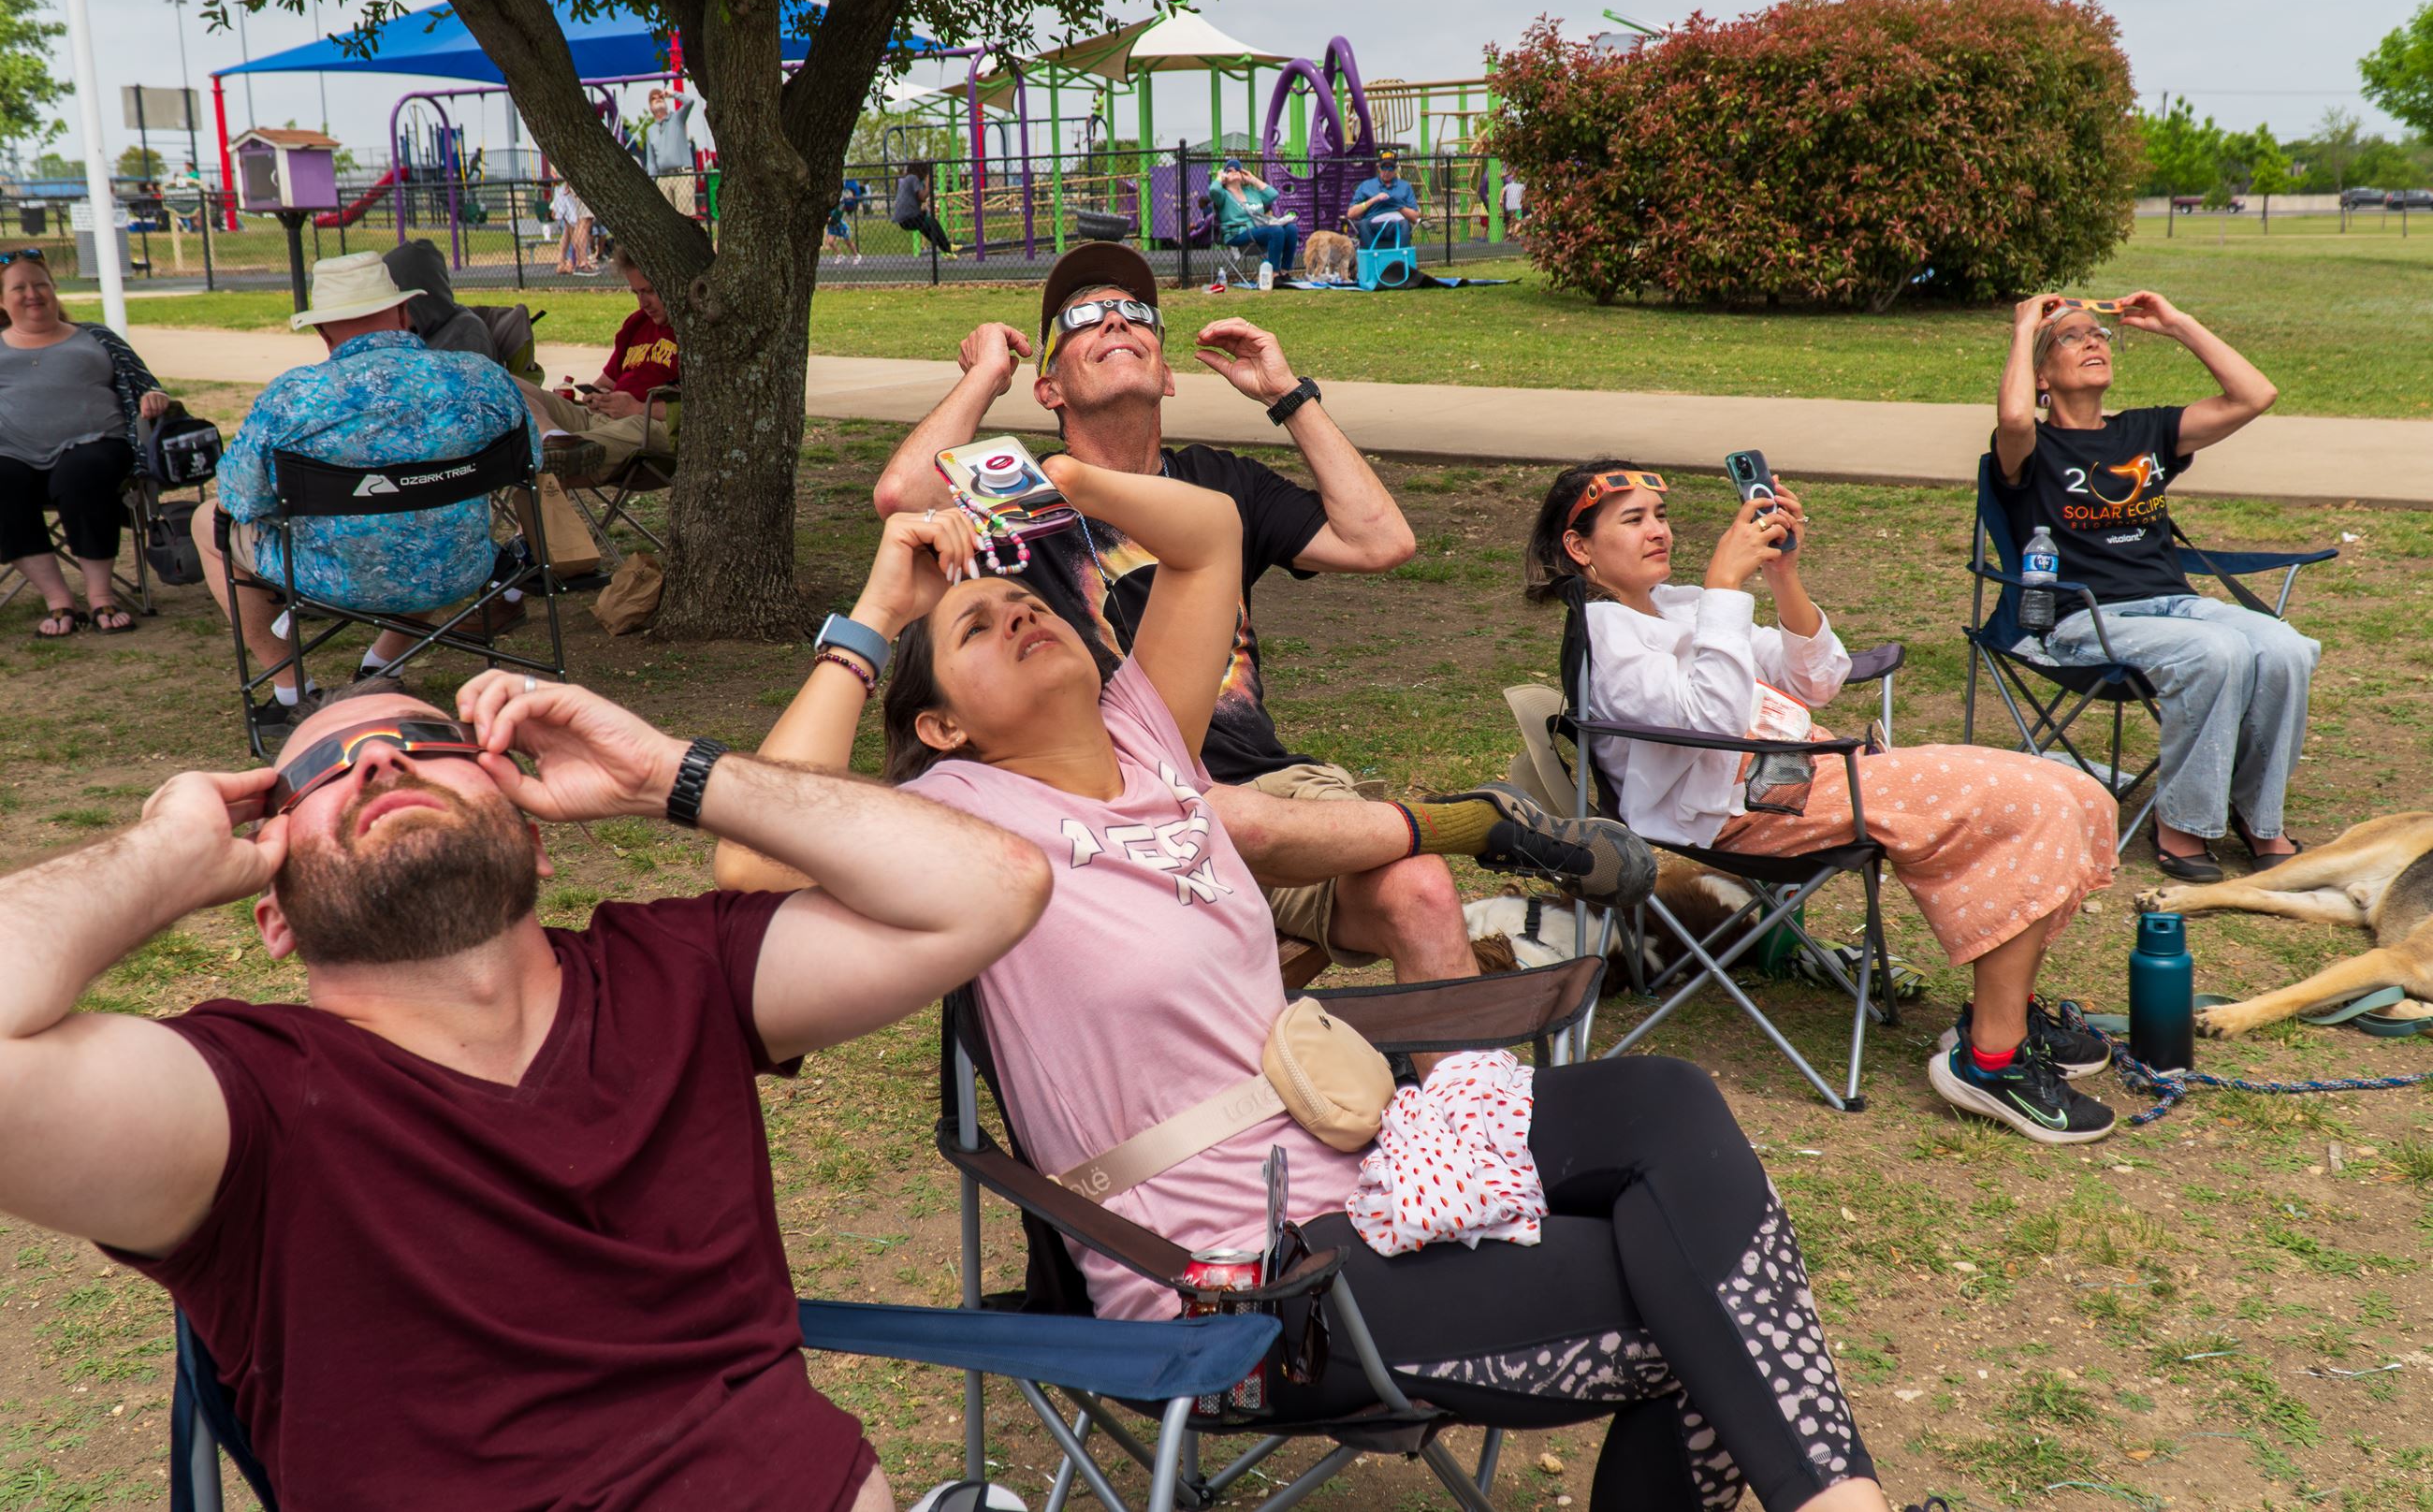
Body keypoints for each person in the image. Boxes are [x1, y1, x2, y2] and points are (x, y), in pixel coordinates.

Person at [719, 471, 1897, 1512]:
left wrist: (1046, 482)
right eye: (977, 623)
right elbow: (751, 858)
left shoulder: (1149, 745)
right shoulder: (955, 818)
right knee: (1707, 1301)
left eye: (1028, 598)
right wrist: (877, 610)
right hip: (1241, 1281)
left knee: (1665, 1106)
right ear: (940, 725)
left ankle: (1836, 1501)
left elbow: (1206, 534)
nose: (1020, 607)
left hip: (1363, 1161)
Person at [0, 670, 1049, 1508]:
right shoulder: (244, 1105)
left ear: (533, 838)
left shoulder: (679, 974)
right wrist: (164, 852)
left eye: (428, 743)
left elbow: (993, 886)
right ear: (273, 914)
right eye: (321, 766)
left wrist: (666, 773)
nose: (375, 757)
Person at [869, 243, 1649, 993]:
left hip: (1270, 789)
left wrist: (1288, 395)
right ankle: (1469, 820)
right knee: (1219, 812)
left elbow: (1382, 540)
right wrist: (983, 377)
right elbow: (902, 499)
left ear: (1167, 374)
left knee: (1420, 888)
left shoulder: (1221, 482)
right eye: (1084, 318)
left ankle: (1458, 1115)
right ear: (1049, 389)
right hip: (1108, 803)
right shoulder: (1017, 493)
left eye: (1136, 311)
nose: (1115, 321)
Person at [1523, 458, 2122, 1144]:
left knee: (2074, 788)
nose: (1658, 531)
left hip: (1812, 772)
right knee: (2028, 804)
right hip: (1748, 808)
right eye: (1633, 520)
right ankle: (1992, 1057)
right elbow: (1712, 724)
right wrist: (1725, 584)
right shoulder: (1609, 635)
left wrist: (1781, 574)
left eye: (1659, 515)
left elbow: (1820, 675)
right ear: (1580, 548)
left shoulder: (1681, 604)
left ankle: (2008, 1006)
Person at [1995, 291, 2300, 883]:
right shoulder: (2031, 447)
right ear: (2040, 377)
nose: (2093, 341)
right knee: (2217, 652)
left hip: (2175, 604)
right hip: (2083, 619)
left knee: (2285, 645)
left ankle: (2256, 814)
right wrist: (2026, 324)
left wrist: (2178, 323)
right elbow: (2011, 418)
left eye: (2100, 335)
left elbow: (2255, 395)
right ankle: (2181, 823)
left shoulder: (2148, 430)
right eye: (2071, 336)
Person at [190, 252, 538, 725]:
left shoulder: (293, 397)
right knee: (426, 519)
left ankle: (292, 689)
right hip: (456, 565)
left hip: (329, 578)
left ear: (322, 332)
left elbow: (240, 499)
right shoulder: (482, 378)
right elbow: (530, 462)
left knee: (203, 519)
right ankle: (381, 665)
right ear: (403, 314)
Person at [0, 246, 174, 637]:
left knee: (80, 474)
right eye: (19, 288)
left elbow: (145, 385)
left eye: (41, 284)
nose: (33, 294)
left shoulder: (95, 336)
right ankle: (58, 599)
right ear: (2, 300)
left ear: (54, 290)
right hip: (13, 453)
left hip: (95, 445)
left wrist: (152, 398)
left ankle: (100, 597)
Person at [517, 245, 677, 462]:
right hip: (598, 418)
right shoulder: (637, 322)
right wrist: (599, 396)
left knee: (534, 461)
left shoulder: (696, 336)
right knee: (505, 382)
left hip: (645, 425)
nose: (643, 303)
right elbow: (605, 382)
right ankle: (553, 438)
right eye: (636, 293)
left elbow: (702, 409)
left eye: (649, 291)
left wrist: (636, 408)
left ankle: (557, 451)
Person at [1207, 156, 1297, 275]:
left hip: (1259, 230)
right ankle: (1274, 275)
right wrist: (1219, 177)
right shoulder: (1223, 195)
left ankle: (1284, 272)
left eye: (1237, 169)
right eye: (1229, 170)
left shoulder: (1251, 191)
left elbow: (1274, 194)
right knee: (1276, 230)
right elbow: (1213, 190)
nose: (1234, 171)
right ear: (1225, 176)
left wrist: (1253, 179)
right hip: (1237, 233)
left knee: (1291, 229)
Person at [641, 86, 701, 216]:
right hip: (663, 178)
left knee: (686, 218)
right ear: (650, 107)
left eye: (660, 97)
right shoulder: (650, 130)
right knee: (667, 218)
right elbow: (651, 162)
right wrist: (653, 184)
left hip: (682, 174)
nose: (657, 99)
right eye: (653, 99)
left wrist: (672, 94)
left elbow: (689, 101)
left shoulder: (677, 118)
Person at [1346, 147, 1421, 250]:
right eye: (1384, 167)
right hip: (1373, 224)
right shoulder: (1366, 185)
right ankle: (1372, 257)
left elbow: (1415, 218)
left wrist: (1398, 206)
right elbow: (1351, 213)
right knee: (1363, 224)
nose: (1387, 172)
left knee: (1405, 224)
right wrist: (1373, 200)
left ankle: (1401, 259)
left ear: (1395, 169)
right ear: (1378, 167)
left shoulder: (1405, 186)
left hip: (1396, 223)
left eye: (1390, 168)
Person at [892, 161, 955, 256]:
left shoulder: (905, 180)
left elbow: (917, 199)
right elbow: (923, 197)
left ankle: (946, 248)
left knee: (926, 227)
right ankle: (946, 246)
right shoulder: (913, 178)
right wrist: (928, 180)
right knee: (932, 222)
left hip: (904, 219)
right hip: (909, 217)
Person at [551, 174, 598, 275]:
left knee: (572, 227)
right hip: (578, 185)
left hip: (568, 186)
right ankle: (581, 263)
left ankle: (571, 261)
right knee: (583, 223)